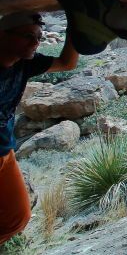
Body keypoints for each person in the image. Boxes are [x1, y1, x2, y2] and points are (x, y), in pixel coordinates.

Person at [0, 12, 78, 244]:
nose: (35, 43)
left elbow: (67, 63)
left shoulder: (25, 63)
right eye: (28, 36)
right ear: (2, 36)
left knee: (17, 217)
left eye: (39, 37)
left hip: (5, 152)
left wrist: (77, 26)